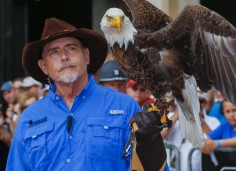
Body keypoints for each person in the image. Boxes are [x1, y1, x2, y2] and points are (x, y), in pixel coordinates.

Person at [6, 17, 168, 171]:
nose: (64, 57)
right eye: (54, 52)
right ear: (44, 66)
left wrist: (150, 143)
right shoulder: (30, 118)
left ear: (86, 56)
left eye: (71, 48)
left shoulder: (125, 107)